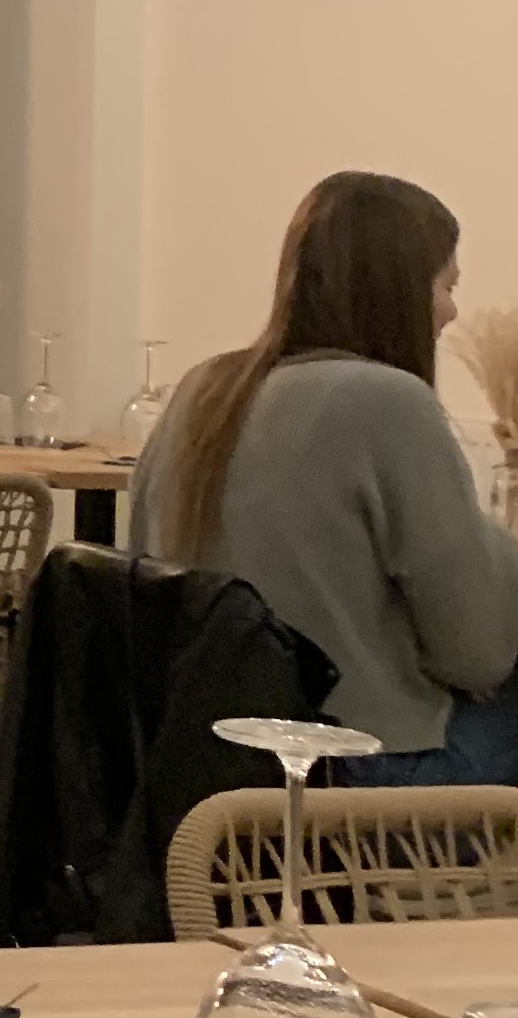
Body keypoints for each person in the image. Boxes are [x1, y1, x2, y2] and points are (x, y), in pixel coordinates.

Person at [132, 169, 518, 786]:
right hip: (349, 774)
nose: (452, 310)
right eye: (446, 285)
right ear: (401, 288)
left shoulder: (204, 389)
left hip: (197, 769)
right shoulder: (389, 403)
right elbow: (478, 655)